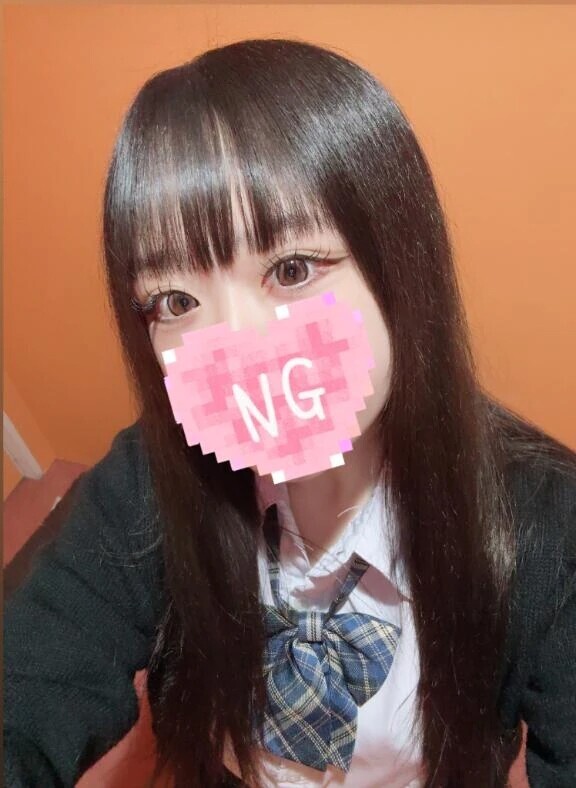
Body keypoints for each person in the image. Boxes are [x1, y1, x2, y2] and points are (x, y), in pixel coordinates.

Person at [4, 37, 576, 788]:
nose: (236, 349)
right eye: (175, 301)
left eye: (292, 269)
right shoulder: (154, 474)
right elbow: (32, 670)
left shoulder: (547, 526)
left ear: (402, 268)